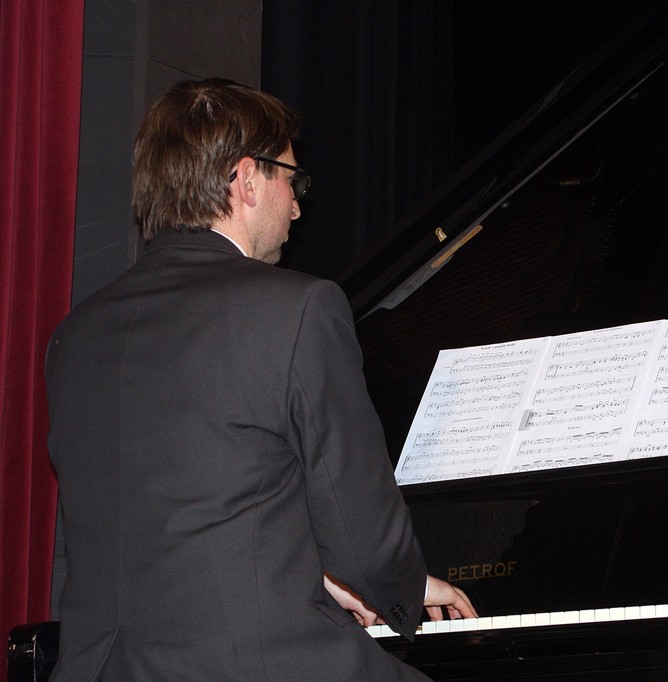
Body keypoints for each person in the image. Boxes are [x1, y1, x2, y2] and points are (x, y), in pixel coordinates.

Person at [45, 78, 475, 680]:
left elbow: (182, 518)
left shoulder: (74, 335)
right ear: (247, 179)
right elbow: (359, 530)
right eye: (291, 179)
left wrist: (319, 576)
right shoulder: (298, 309)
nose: (297, 205)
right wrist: (402, 589)